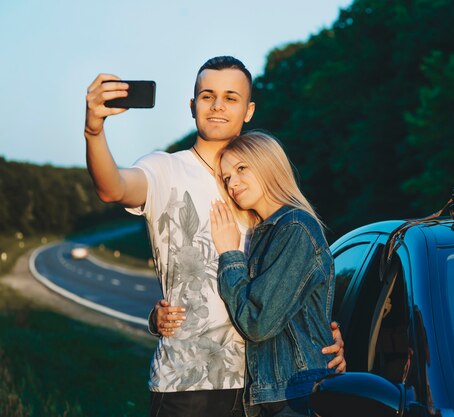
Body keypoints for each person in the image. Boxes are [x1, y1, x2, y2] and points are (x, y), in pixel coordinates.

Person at [84, 56, 345, 417]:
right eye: (207, 96)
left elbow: (295, 281)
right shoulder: (165, 168)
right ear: (192, 106)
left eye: (230, 97)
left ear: (248, 110)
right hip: (188, 383)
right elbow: (113, 188)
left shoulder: (259, 184)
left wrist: (319, 339)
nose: (218, 105)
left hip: (263, 385)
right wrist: (94, 131)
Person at [210, 131, 335, 417]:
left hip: (297, 394)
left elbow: (257, 323)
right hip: (276, 394)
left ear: (268, 164)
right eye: (227, 177)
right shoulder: (264, 234)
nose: (233, 183)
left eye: (241, 168)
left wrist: (229, 255)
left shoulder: (295, 228)